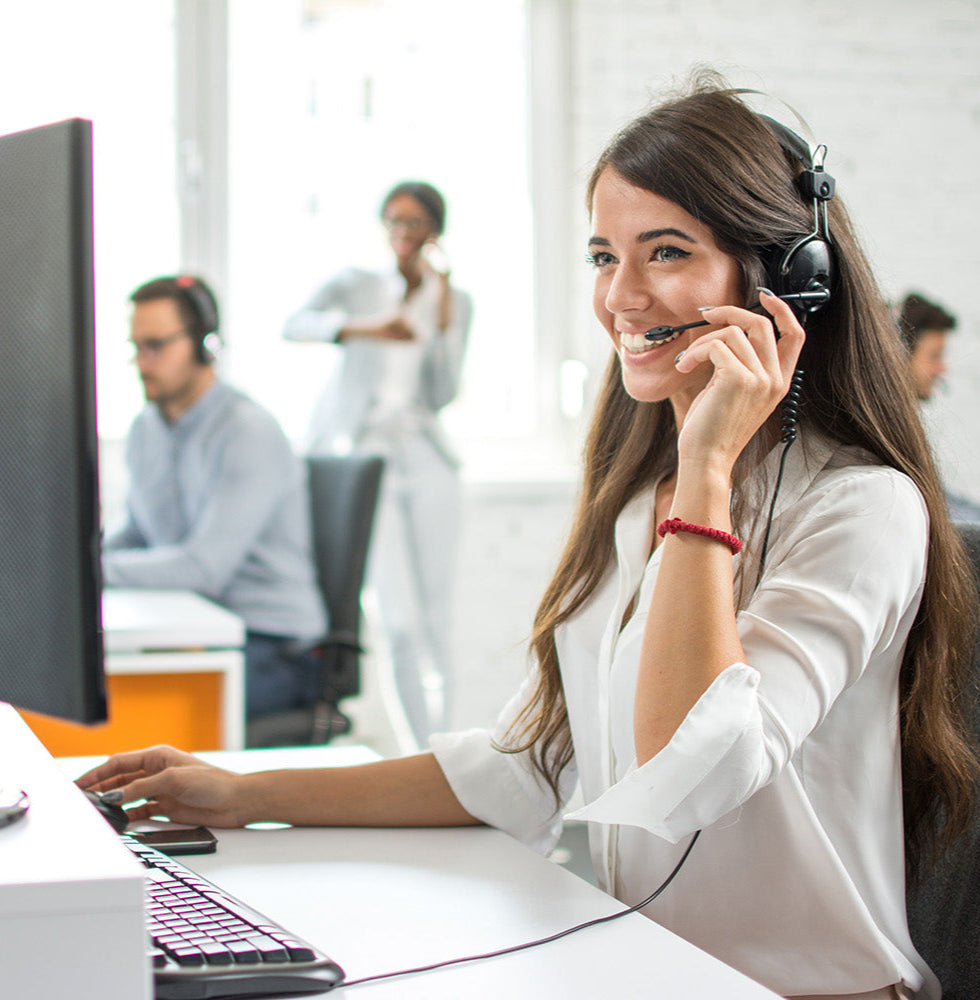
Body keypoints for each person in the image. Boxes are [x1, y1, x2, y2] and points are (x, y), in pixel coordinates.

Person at [81, 79, 979, 999]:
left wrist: (708, 463)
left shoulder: (862, 510)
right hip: (652, 973)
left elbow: (695, 773)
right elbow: (531, 762)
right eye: (603, 255)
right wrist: (240, 795)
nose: (620, 297)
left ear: (791, 280)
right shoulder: (638, 501)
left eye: (665, 252)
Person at [282, 181, 473, 746]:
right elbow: (293, 324)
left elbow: (443, 392)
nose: (402, 233)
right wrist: (364, 329)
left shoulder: (453, 299)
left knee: (439, 618)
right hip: (365, 455)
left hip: (425, 453)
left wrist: (441, 319)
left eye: (414, 223)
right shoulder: (357, 285)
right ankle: (420, 752)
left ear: (434, 231)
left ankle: (449, 747)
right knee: (399, 621)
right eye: (393, 220)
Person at [102, 275, 328, 728]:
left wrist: (87, 573)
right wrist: (71, 566)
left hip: (275, 647)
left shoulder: (246, 431)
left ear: (205, 345)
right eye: (136, 347)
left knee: (126, 712)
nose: (142, 362)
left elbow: (203, 568)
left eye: (156, 346)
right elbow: (140, 533)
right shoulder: (146, 428)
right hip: (200, 630)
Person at [898, 291, 980, 523]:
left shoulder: (905, 424)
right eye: (934, 356)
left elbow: (946, 501)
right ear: (898, 354)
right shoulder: (889, 430)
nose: (941, 369)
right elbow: (942, 512)